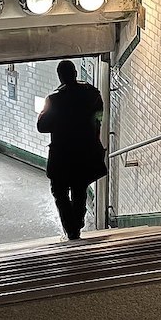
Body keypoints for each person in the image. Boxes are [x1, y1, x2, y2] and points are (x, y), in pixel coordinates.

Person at [36, 60, 107, 240]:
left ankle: (72, 229)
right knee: (80, 188)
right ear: (75, 73)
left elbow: (42, 126)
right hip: (86, 152)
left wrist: (45, 111)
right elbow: (99, 117)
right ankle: (77, 223)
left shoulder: (54, 99)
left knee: (60, 192)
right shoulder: (93, 94)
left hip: (62, 155)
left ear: (60, 76)